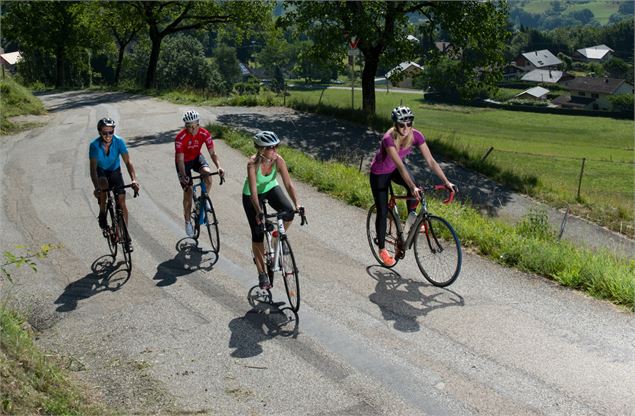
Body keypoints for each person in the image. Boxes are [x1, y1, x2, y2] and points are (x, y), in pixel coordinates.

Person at [369, 106, 456, 267]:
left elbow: (431, 161)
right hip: (380, 174)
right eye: (402, 125)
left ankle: (411, 218)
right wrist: (411, 187)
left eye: (409, 124)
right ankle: (382, 249)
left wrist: (446, 182)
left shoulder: (416, 136)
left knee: (417, 186)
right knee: (382, 210)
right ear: (396, 124)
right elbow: (401, 166)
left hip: (394, 170)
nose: (406, 128)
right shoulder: (389, 138)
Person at [242, 131, 302, 289]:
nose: (275, 150)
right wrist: (258, 212)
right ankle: (262, 273)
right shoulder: (252, 164)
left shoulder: (279, 161)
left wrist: (298, 204)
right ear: (261, 149)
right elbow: (254, 193)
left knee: (288, 212)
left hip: (270, 188)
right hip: (251, 196)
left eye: (276, 146)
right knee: (258, 233)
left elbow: (289, 185)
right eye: (271, 147)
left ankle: (277, 240)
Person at [89, 117, 140, 250]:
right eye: (104, 133)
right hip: (101, 172)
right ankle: (102, 211)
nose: (108, 136)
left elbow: (128, 162)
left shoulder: (119, 142)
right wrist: (96, 188)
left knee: (122, 202)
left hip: (115, 171)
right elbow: (93, 169)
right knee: (104, 185)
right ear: (100, 132)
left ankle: (125, 235)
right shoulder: (94, 146)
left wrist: (134, 179)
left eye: (110, 132)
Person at [175, 110, 224, 237]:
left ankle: (204, 197)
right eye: (188, 126)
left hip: (196, 158)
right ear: (185, 126)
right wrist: (183, 175)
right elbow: (180, 159)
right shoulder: (180, 138)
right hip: (183, 163)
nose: (191, 129)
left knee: (207, 175)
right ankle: (187, 222)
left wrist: (219, 167)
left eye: (194, 126)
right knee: (188, 191)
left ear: (198, 124)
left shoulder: (205, 134)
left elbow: (213, 153)